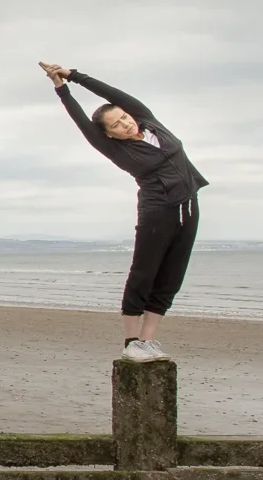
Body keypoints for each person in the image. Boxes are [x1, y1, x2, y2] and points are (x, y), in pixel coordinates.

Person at [38, 62, 208, 362]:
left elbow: (114, 94)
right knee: (145, 272)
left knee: (172, 276)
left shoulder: (150, 122)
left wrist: (75, 76)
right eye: (116, 125)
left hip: (189, 207)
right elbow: (81, 121)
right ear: (110, 136)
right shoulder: (116, 148)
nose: (125, 124)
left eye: (124, 118)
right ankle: (131, 341)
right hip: (158, 212)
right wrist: (61, 89)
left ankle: (149, 340)